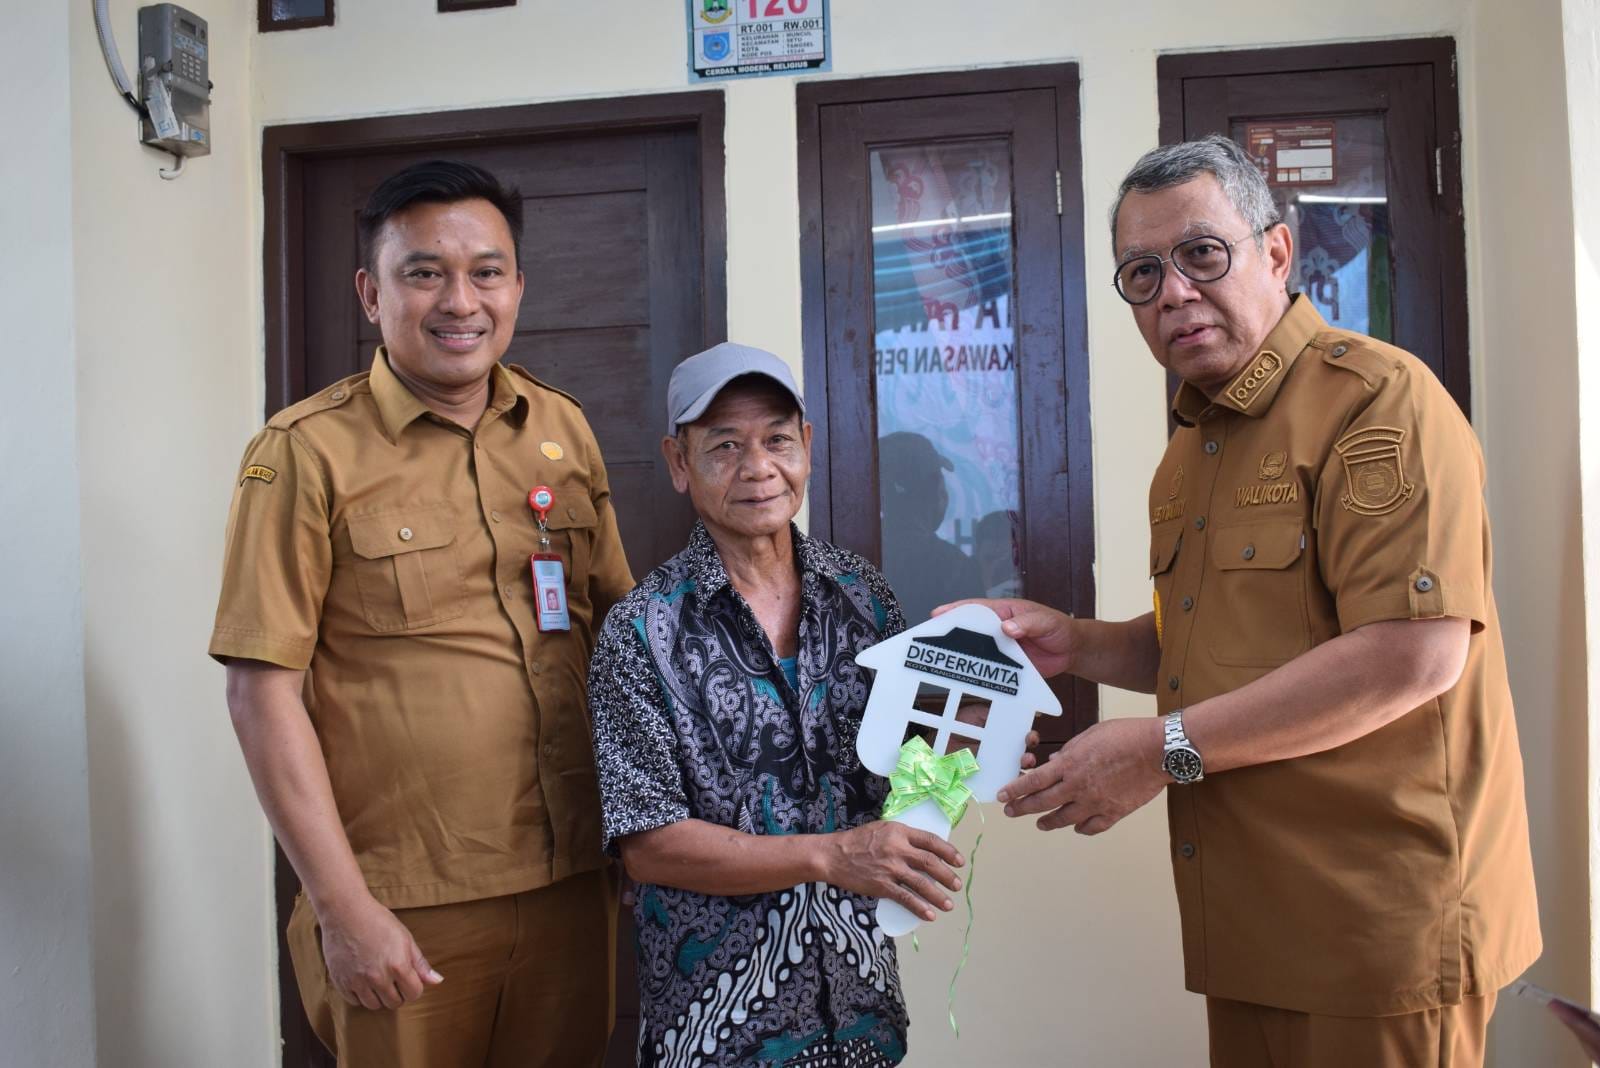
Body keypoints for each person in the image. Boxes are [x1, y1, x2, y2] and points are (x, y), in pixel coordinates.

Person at [956, 135, 1541, 1066]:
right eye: (1141, 274)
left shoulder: (1379, 403)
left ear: (1276, 252)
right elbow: (1214, 646)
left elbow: (1414, 654)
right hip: (1252, 925)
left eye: (1200, 254)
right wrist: (1073, 642)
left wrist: (1163, 749)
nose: (1174, 292)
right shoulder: (1193, 448)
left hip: (1377, 929)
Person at [209, 159, 633, 1067]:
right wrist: (342, 907)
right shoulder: (303, 454)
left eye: (486, 270)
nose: (461, 300)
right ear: (372, 292)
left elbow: (624, 641)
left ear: (517, 285)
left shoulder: (563, 431)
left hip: (572, 882)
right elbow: (260, 694)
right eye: (424, 271)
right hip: (404, 900)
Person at [586, 343, 1021, 1067]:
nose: (758, 467)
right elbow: (650, 845)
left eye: (777, 440)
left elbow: (894, 774)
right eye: (724, 445)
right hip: (717, 1031)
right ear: (678, 463)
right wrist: (831, 855)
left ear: (808, 448)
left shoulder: (862, 596)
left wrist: (961, 748)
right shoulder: (640, 632)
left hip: (862, 1012)